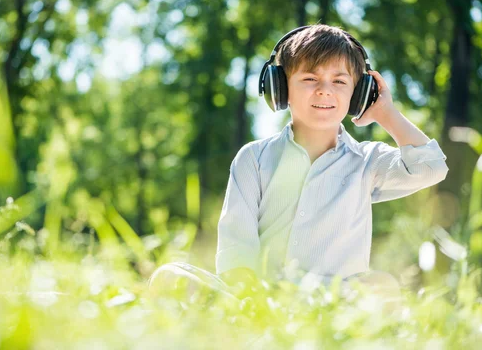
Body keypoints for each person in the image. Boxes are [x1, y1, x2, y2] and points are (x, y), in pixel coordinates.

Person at [148, 24, 449, 304]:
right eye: (309, 78)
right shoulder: (254, 158)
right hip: (261, 298)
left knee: (382, 286)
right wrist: (251, 300)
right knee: (170, 277)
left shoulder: (368, 162)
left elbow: (431, 167)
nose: (324, 89)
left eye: (340, 81)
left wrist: (386, 113)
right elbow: (237, 245)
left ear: (358, 94)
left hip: (334, 302)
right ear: (280, 88)